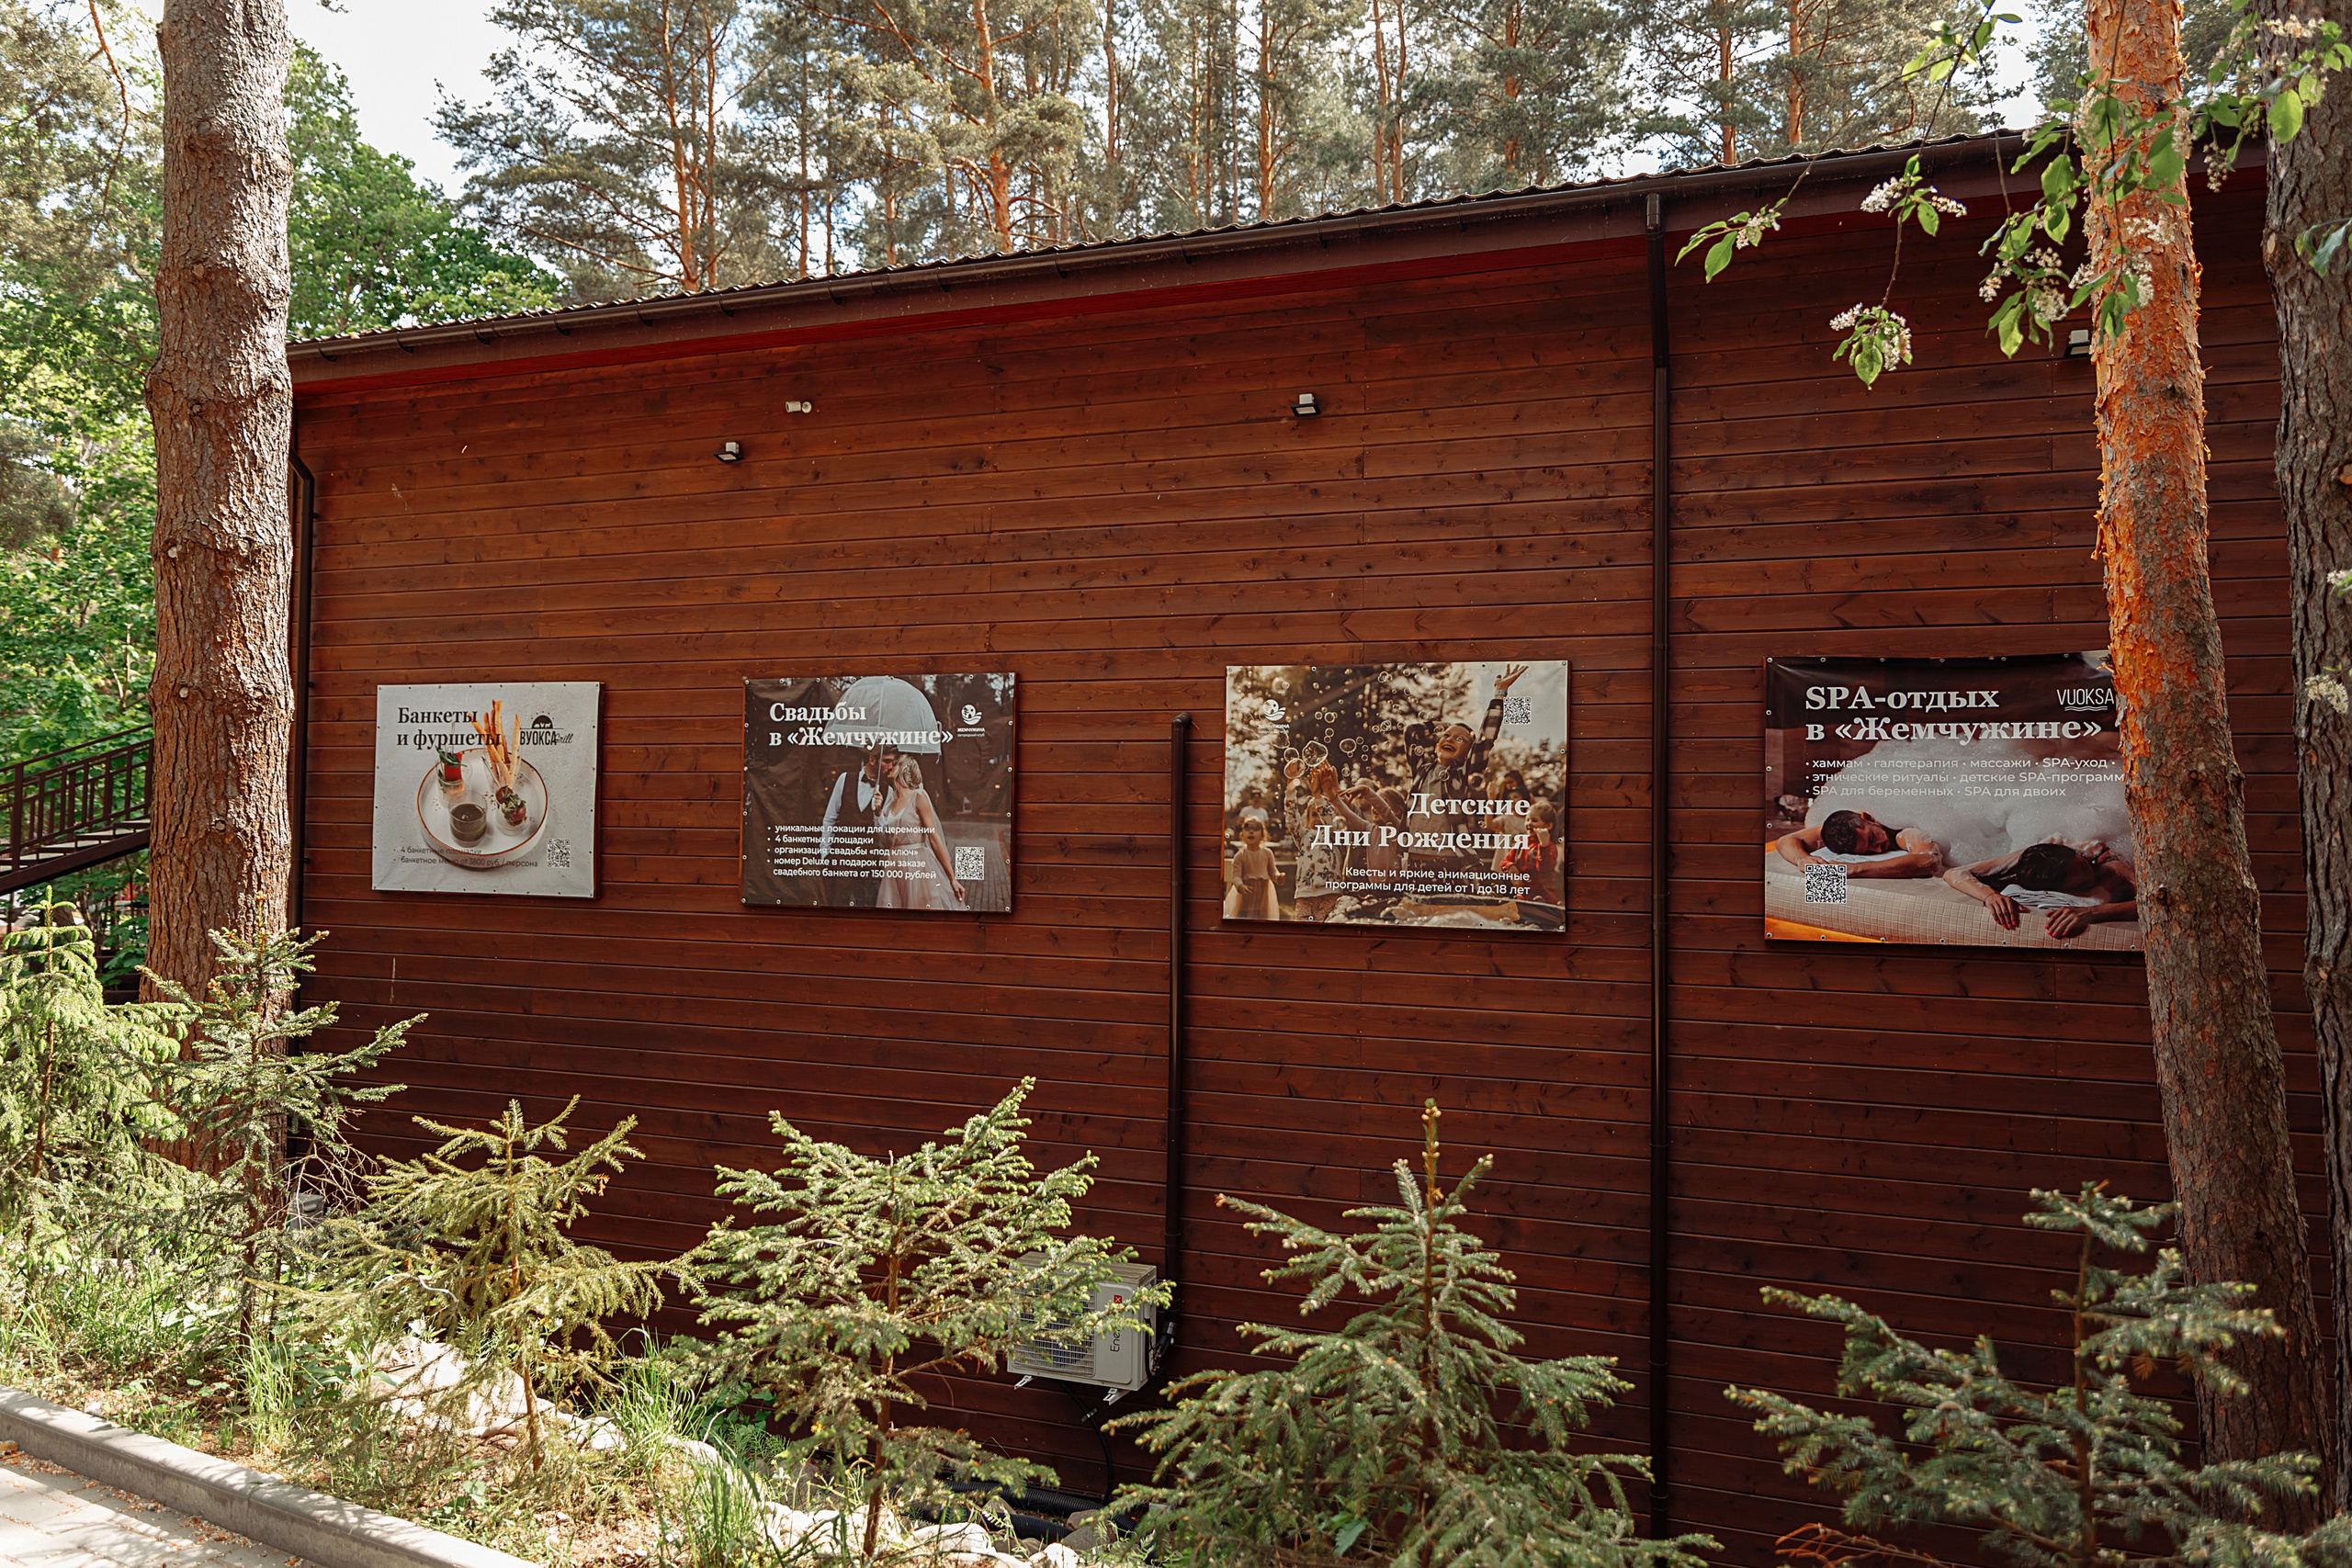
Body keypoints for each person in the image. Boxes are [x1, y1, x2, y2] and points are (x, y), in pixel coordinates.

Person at [1401, 663, 1530, 883]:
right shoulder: (1421, 770)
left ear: (1467, 754)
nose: (1450, 739)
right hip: (1412, 858)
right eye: (1447, 736)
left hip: (1447, 860)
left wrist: (1499, 694)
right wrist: (1443, 726)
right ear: (1436, 744)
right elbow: (1411, 732)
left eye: (1460, 739)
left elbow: (1486, 739)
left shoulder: (1460, 773)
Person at [1944, 840, 2137, 939]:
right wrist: (1990, 896)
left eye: (2084, 867)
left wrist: (2092, 912)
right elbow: (1954, 873)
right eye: (2080, 885)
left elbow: (2153, 903)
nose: (2091, 877)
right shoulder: (2032, 860)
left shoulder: (2111, 864)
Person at [875, 755, 967, 910]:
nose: (890, 766)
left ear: (903, 769)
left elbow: (934, 837)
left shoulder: (919, 796)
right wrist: (878, 812)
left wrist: (952, 878)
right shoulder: (891, 800)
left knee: (918, 909)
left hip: (915, 863)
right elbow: (885, 838)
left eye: (895, 764)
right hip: (894, 862)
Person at [819, 742, 896, 908]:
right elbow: (830, 819)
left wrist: (878, 812)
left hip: (868, 863)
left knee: (867, 909)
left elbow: (885, 837)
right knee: (836, 907)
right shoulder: (845, 779)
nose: (891, 767)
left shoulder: (887, 791)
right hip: (841, 860)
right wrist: (825, 854)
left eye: (893, 762)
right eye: (887, 761)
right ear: (872, 760)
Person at [1774, 808, 1941, 878]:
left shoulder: (1898, 827)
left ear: (1867, 818)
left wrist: (1855, 868)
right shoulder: (1838, 826)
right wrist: (1801, 859)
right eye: (1867, 851)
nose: (1877, 849)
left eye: (1872, 838)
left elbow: (1929, 861)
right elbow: (1786, 840)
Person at [1285, 760, 1346, 921]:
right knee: (1304, 932)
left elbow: (1329, 820)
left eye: (1319, 813)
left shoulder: (1333, 835)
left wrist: (1317, 796)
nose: (1317, 818)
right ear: (1306, 819)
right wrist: (1291, 787)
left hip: (1330, 893)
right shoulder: (1304, 835)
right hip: (1304, 893)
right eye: (1313, 814)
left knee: (1327, 931)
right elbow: (1291, 820)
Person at [1224, 811, 1280, 919]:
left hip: (1263, 893)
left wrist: (1278, 876)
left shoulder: (1267, 853)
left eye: (1255, 830)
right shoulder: (1240, 855)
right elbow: (1236, 876)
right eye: (1247, 829)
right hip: (1246, 893)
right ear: (1242, 835)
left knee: (1262, 917)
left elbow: (1273, 871)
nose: (1251, 832)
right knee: (1244, 916)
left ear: (1262, 835)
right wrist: (1240, 885)